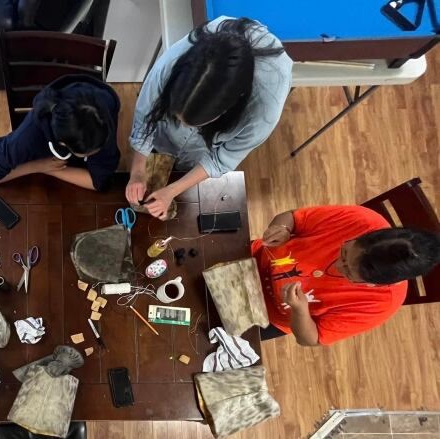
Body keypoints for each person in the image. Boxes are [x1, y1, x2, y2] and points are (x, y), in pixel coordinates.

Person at [126, 17, 292, 219]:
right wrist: (137, 171)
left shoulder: (264, 111)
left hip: (201, 148)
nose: (181, 127)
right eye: (176, 117)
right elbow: (146, 115)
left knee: (189, 164)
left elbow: (220, 160)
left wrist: (172, 191)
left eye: (194, 123)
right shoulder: (175, 62)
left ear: (226, 111)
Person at [252, 205, 440, 346]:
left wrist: (300, 310)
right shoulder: (362, 220)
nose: (338, 266)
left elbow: (310, 339)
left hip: (267, 317)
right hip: (252, 257)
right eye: (344, 252)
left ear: (375, 285)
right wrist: (283, 228)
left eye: (349, 273)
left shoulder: (382, 303)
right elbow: (291, 217)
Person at [0, 74, 121, 192]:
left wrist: (52, 170)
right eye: (90, 153)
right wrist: (38, 166)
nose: (98, 153)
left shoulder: (102, 116)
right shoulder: (29, 137)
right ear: (63, 143)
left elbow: (99, 182)